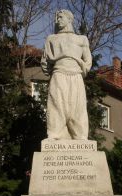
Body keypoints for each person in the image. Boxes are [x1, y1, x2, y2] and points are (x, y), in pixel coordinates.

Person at [41, 9, 92, 140]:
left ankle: (80, 136)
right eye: (57, 18)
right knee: (56, 104)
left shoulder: (81, 39)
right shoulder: (51, 39)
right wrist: (52, 70)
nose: (58, 20)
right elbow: (45, 61)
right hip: (58, 73)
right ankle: (54, 134)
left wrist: (80, 66)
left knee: (78, 106)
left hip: (76, 75)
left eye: (61, 17)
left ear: (70, 19)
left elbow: (88, 61)